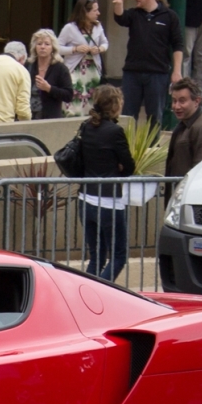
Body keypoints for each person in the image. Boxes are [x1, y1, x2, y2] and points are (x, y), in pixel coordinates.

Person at [78, 84, 136, 282]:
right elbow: (129, 167)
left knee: (97, 257)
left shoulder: (86, 126)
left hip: (85, 199)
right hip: (109, 202)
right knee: (118, 256)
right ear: (115, 105)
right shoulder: (115, 131)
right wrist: (119, 167)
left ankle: (86, 293)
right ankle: (99, 292)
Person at [111, 0, 183, 126]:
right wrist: (119, 3)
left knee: (155, 115)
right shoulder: (134, 14)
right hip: (132, 72)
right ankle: (127, 146)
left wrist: (177, 71)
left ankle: (152, 147)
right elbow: (120, 18)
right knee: (128, 114)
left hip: (157, 73)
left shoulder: (169, 16)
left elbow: (178, 45)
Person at [57, 0, 109, 116]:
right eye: (95, 10)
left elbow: (105, 43)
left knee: (92, 99)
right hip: (75, 69)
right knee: (74, 97)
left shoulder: (98, 27)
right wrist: (75, 49)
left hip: (93, 70)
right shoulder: (70, 28)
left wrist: (100, 49)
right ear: (85, 12)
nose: (98, 13)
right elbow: (57, 47)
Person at [165, 78, 202, 177]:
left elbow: (201, 171)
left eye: (182, 101)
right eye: (174, 101)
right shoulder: (185, 124)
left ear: (197, 101)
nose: (176, 106)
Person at [26, 28, 74, 120]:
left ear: (53, 48)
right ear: (35, 47)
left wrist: (49, 88)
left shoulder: (60, 68)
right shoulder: (28, 65)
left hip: (50, 118)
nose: (42, 47)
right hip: (29, 118)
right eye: (39, 44)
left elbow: (68, 95)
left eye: (47, 44)